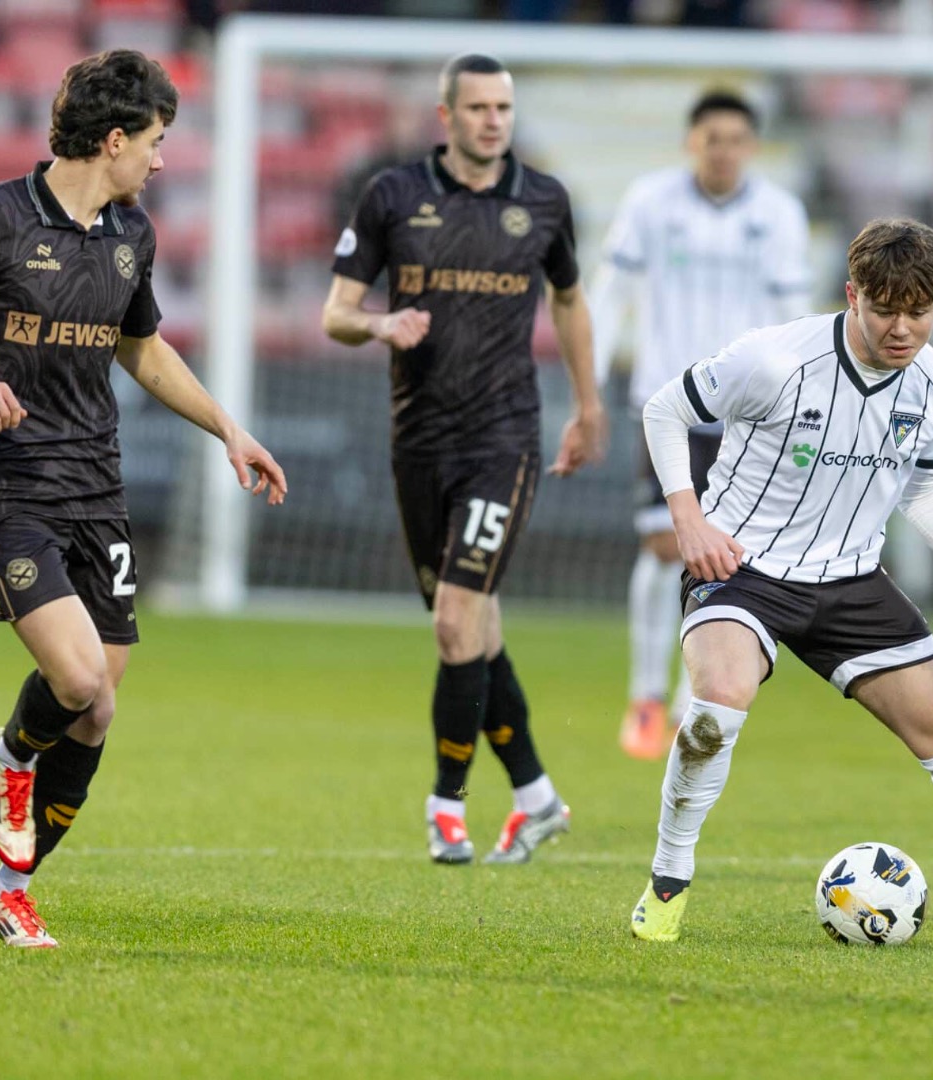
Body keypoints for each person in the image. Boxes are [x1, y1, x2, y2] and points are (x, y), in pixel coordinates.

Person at [0, 50, 288, 948]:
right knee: (75, 678)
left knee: (98, 709)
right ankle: (11, 752)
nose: (162, 159)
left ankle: (8, 891)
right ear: (113, 140)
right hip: (7, 483)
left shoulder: (131, 234)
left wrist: (228, 428)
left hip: (98, 486)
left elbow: (142, 349)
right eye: (156, 140)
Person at [627, 218, 933, 948]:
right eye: (885, 309)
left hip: (850, 580)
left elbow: (922, 490)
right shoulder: (774, 359)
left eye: (919, 311)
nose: (902, 328)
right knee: (717, 703)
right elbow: (664, 409)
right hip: (743, 570)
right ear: (852, 294)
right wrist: (689, 522)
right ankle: (669, 879)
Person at [321, 54, 606, 866]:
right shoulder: (392, 195)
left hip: (502, 439)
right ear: (446, 116)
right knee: (472, 628)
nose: (493, 121)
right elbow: (336, 313)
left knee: (454, 622)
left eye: (503, 108)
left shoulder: (544, 200)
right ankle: (538, 799)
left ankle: (446, 806)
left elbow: (569, 300)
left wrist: (588, 405)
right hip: (418, 440)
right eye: (478, 108)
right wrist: (380, 325)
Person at [588, 89, 811, 761]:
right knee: (665, 548)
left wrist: (800, 397)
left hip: (749, 413)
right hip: (668, 405)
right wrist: (587, 384)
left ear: (752, 146)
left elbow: (795, 315)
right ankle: (645, 696)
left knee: (727, 558)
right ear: (693, 141)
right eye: (713, 139)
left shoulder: (779, 214)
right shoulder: (651, 201)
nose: (724, 151)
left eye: (736, 140)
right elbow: (611, 294)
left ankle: (694, 701)